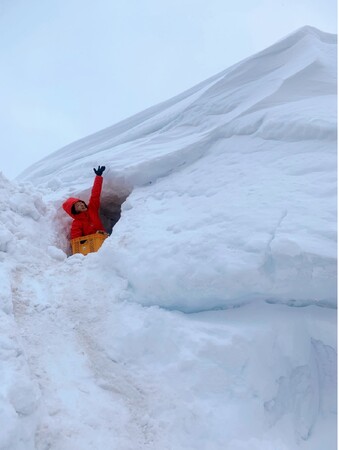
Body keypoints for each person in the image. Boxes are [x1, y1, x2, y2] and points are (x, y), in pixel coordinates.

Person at [62, 166, 108, 239]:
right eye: (77, 206)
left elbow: (95, 193)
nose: (81, 205)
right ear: (74, 211)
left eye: (81, 203)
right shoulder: (77, 223)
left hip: (105, 240)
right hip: (92, 246)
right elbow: (76, 239)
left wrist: (98, 176)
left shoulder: (92, 209)